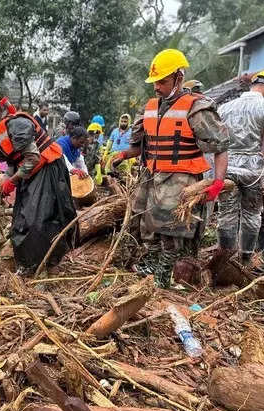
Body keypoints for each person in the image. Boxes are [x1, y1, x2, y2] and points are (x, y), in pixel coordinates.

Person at [112, 49, 229, 288]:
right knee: (147, 226)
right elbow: (140, 147)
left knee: (171, 230)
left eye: (162, 81)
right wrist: (122, 154)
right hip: (153, 176)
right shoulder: (150, 107)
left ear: (178, 78)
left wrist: (217, 183)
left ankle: (164, 275)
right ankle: (151, 267)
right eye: (155, 82)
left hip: (182, 178)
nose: (157, 87)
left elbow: (220, 148)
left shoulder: (196, 108)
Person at [0, 88, 77, 271]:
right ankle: (28, 264)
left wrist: (13, 181)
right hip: (32, 172)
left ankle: (45, 264)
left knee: (37, 221)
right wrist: (6, 180)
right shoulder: (2, 128)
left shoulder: (17, 124)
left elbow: (32, 158)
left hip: (48, 169)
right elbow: (14, 158)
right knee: (21, 218)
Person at [217, 69, 264, 265]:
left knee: (226, 213)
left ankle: (224, 260)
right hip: (255, 171)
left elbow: (218, 143)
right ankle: (245, 260)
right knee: (251, 214)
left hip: (228, 167)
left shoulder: (225, 107)